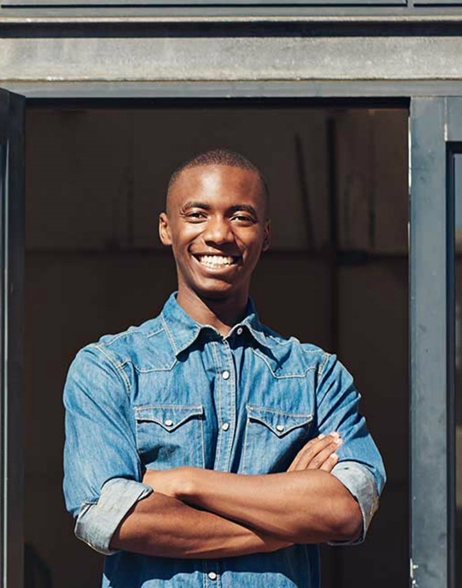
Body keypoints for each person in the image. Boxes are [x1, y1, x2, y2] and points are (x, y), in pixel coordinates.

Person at [61, 149, 384, 587]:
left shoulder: (316, 376)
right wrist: (285, 520)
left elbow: (347, 509)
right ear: (166, 228)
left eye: (241, 217)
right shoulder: (110, 367)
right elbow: (110, 516)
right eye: (197, 214)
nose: (218, 234)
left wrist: (189, 483)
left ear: (265, 235)